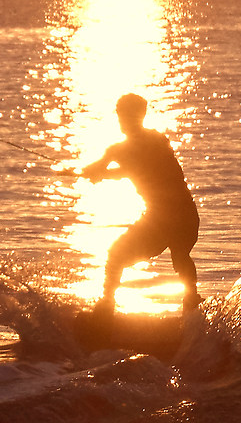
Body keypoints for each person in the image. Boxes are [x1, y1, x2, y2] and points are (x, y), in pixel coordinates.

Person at [72, 92, 200, 313]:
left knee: (116, 255)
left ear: (136, 116)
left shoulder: (124, 149)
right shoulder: (159, 140)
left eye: (124, 116)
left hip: (165, 219)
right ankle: (192, 305)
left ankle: (106, 308)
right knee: (181, 258)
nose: (122, 121)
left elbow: (127, 167)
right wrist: (96, 172)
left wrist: (93, 173)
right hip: (185, 215)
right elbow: (130, 169)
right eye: (121, 116)